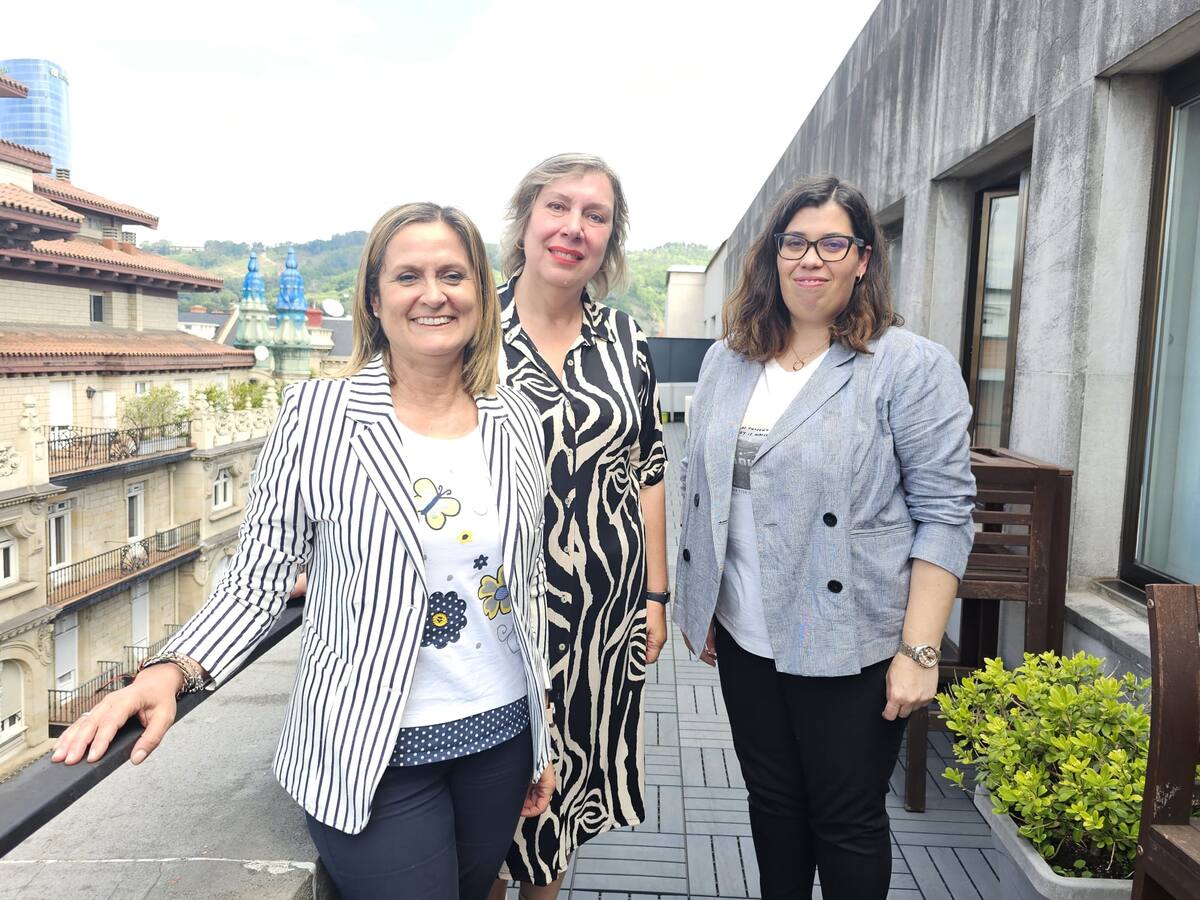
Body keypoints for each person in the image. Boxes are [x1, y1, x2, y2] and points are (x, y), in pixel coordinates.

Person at [51, 202, 557, 900]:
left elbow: (523, 585)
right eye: (408, 276)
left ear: (480, 294)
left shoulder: (515, 418)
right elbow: (257, 578)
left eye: (453, 275)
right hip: (369, 752)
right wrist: (171, 669)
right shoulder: (318, 416)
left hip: (499, 737)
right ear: (374, 299)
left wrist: (541, 734)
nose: (433, 294)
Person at [674, 176, 976, 900]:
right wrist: (705, 600)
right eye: (796, 242)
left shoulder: (908, 365)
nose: (812, 259)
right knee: (774, 808)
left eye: (833, 244)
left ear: (863, 259)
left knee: (845, 820)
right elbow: (701, 487)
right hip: (746, 635)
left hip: (848, 641)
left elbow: (945, 514)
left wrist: (920, 652)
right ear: (774, 255)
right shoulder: (729, 360)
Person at [488, 153, 669, 898]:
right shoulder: (472, 329)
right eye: (558, 207)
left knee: (563, 799)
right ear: (525, 222)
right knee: (494, 799)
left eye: (595, 216)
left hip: (603, 619)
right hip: (500, 611)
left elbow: (648, 467)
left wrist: (656, 595)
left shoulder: (626, 339)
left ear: (609, 241)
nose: (574, 227)